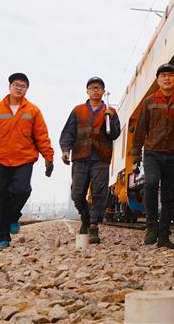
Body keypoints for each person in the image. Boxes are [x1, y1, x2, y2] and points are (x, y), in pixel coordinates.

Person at [0, 73, 54, 248]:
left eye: (23, 86)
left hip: (24, 159)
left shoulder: (33, 111)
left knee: (22, 190)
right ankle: (2, 238)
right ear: (9, 87)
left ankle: (13, 216)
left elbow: (41, 136)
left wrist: (48, 157)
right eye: (16, 85)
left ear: (27, 89)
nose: (19, 88)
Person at [130, 63, 174, 249]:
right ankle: (151, 226)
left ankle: (164, 236)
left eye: (170, 75)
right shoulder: (149, 102)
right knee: (151, 183)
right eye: (163, 76)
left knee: (168, 195)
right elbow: (140, 128)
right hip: (152, 152)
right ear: (158, 80)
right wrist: (136, 153)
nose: (167, 78)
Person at [59, 76, 121, 243]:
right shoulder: (78, 110)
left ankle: (93, 226)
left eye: (98, 88)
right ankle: (85, 218)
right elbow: (68, 132)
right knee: (77, 193)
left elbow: (115, 134)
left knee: (99, 193)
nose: (95, 90)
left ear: (103, 91)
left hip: (101, 157)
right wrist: (65, 150)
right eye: (92, 88)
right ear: (87, 91)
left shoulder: (110, 111)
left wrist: (110, 119)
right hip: (80, 157)